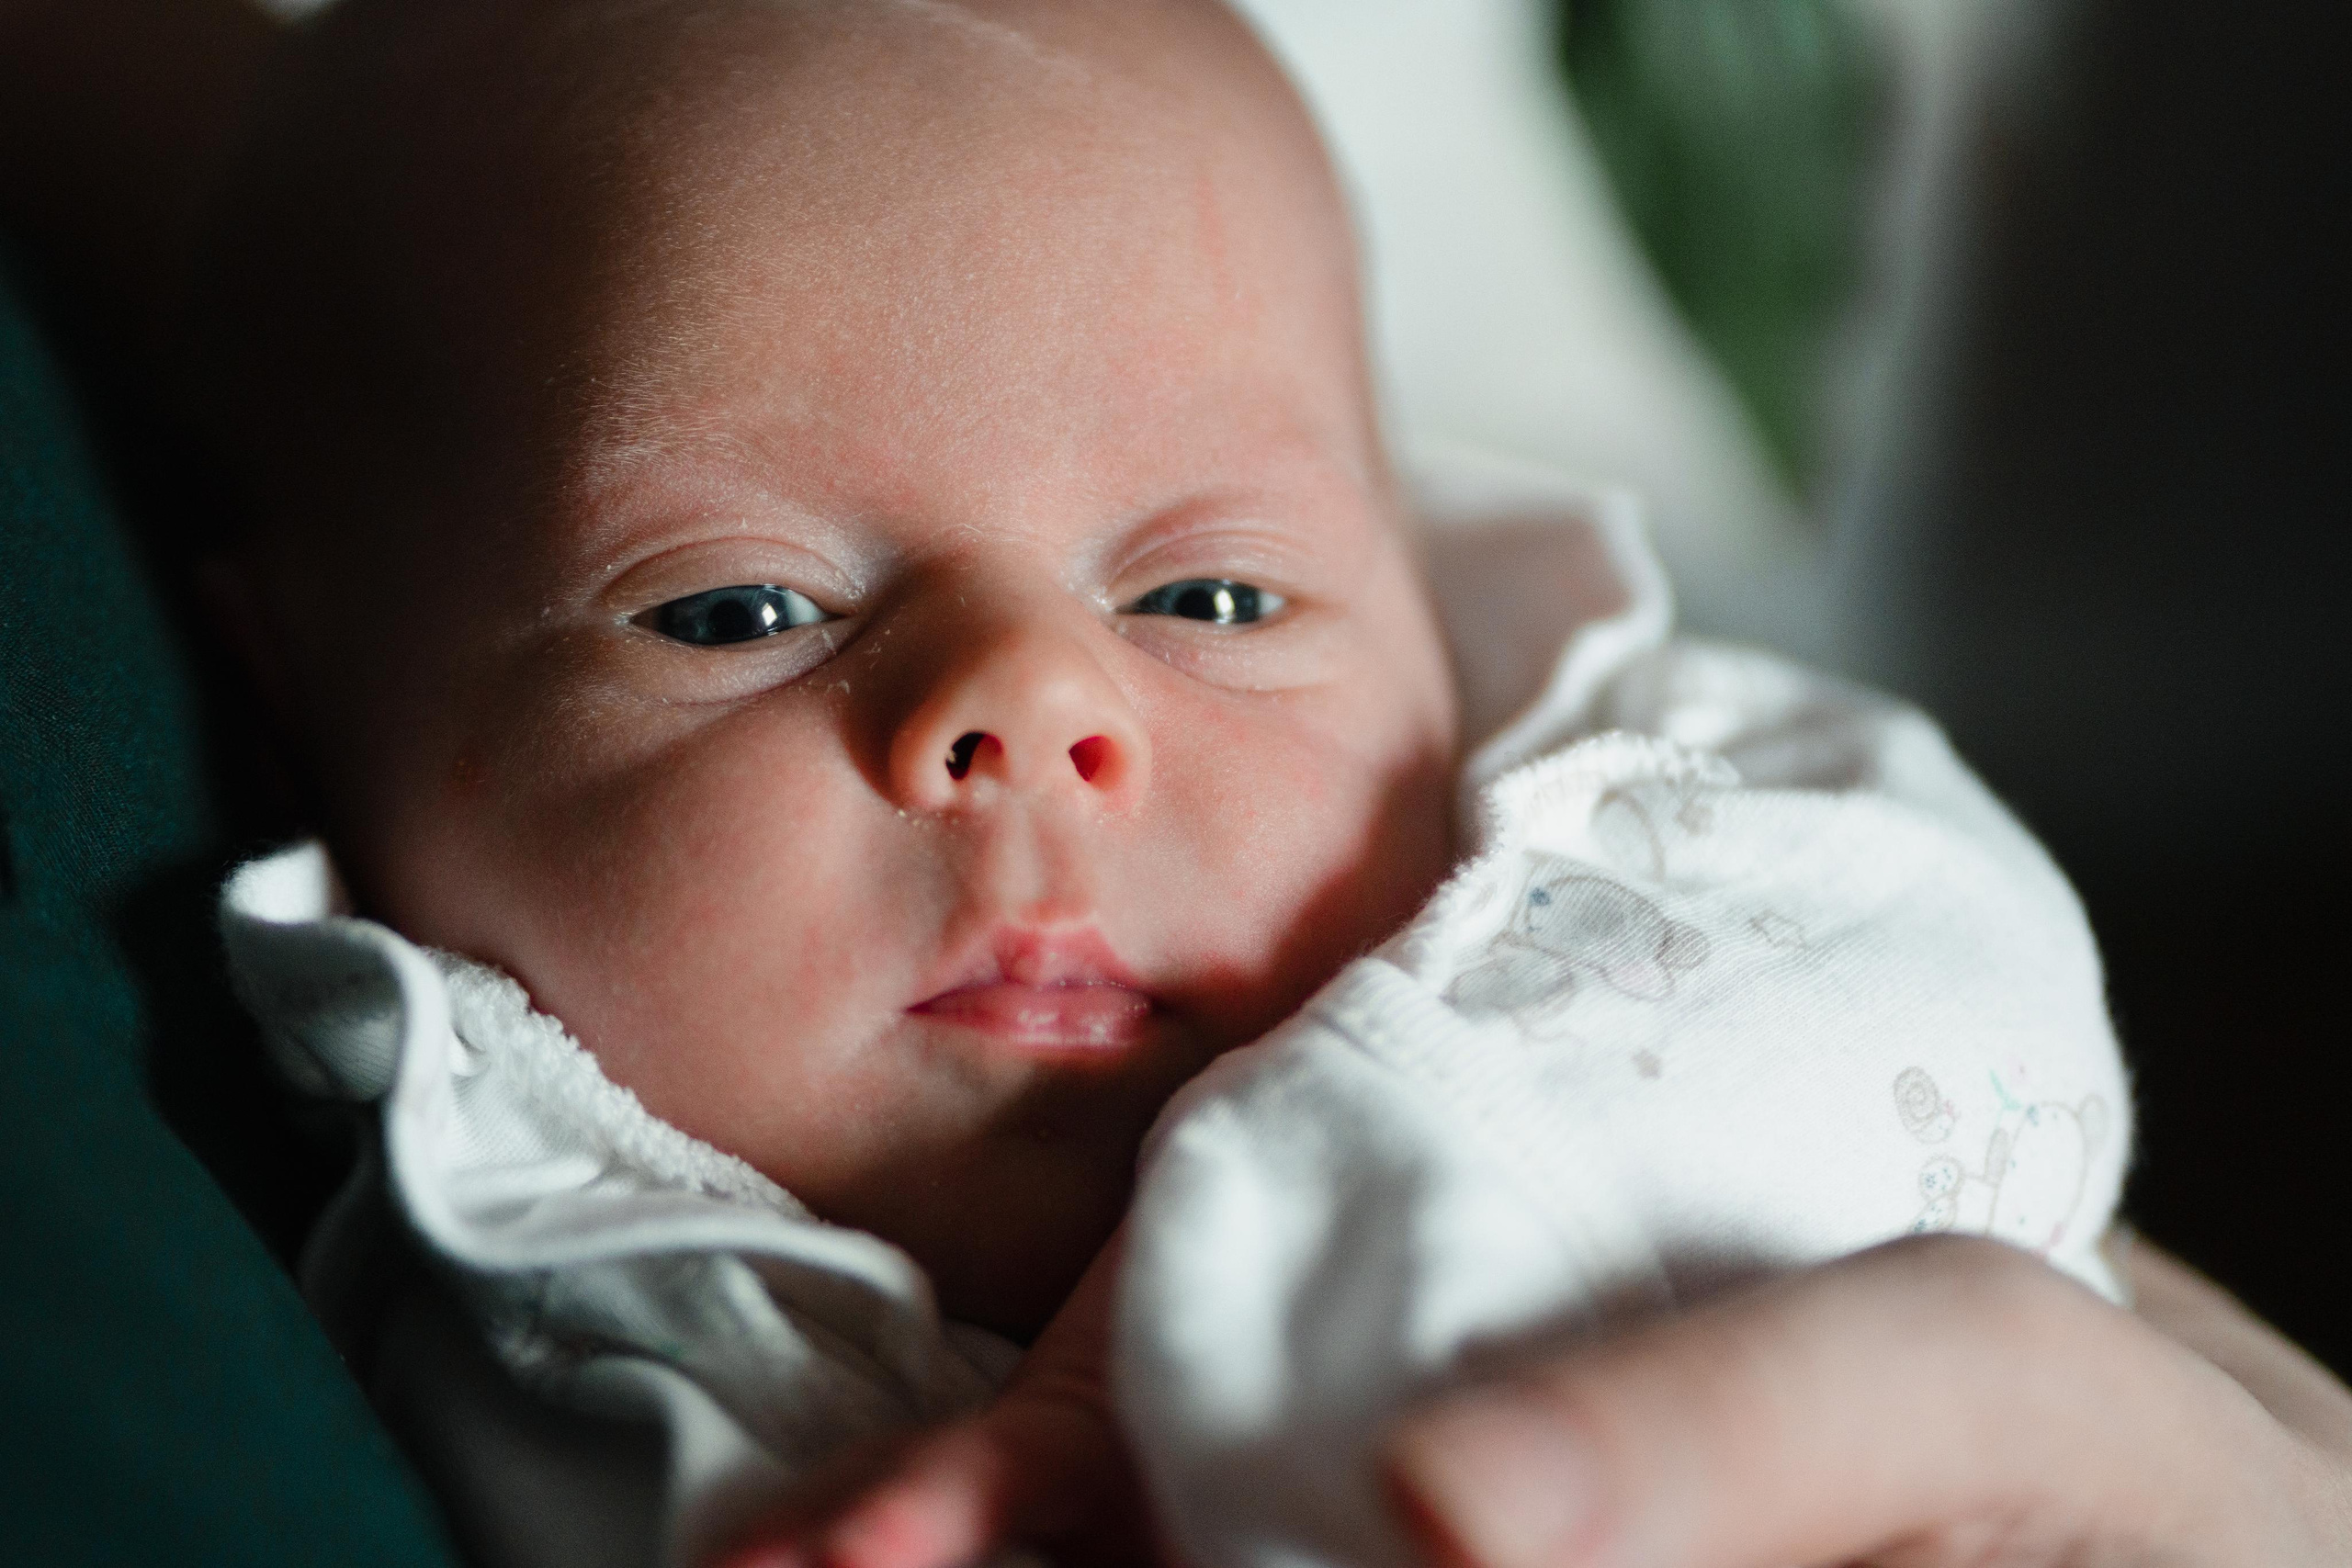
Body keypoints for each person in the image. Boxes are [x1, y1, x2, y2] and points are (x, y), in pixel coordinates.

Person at [3, 1, 2341, 1566]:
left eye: (1215, 604)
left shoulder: (1638, 822)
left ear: (1439, 617)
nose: (1031, 707)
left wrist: (1161, 1340)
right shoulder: (436, 1228)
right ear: (306, 695)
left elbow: (1946, 989)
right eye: (732, 610)